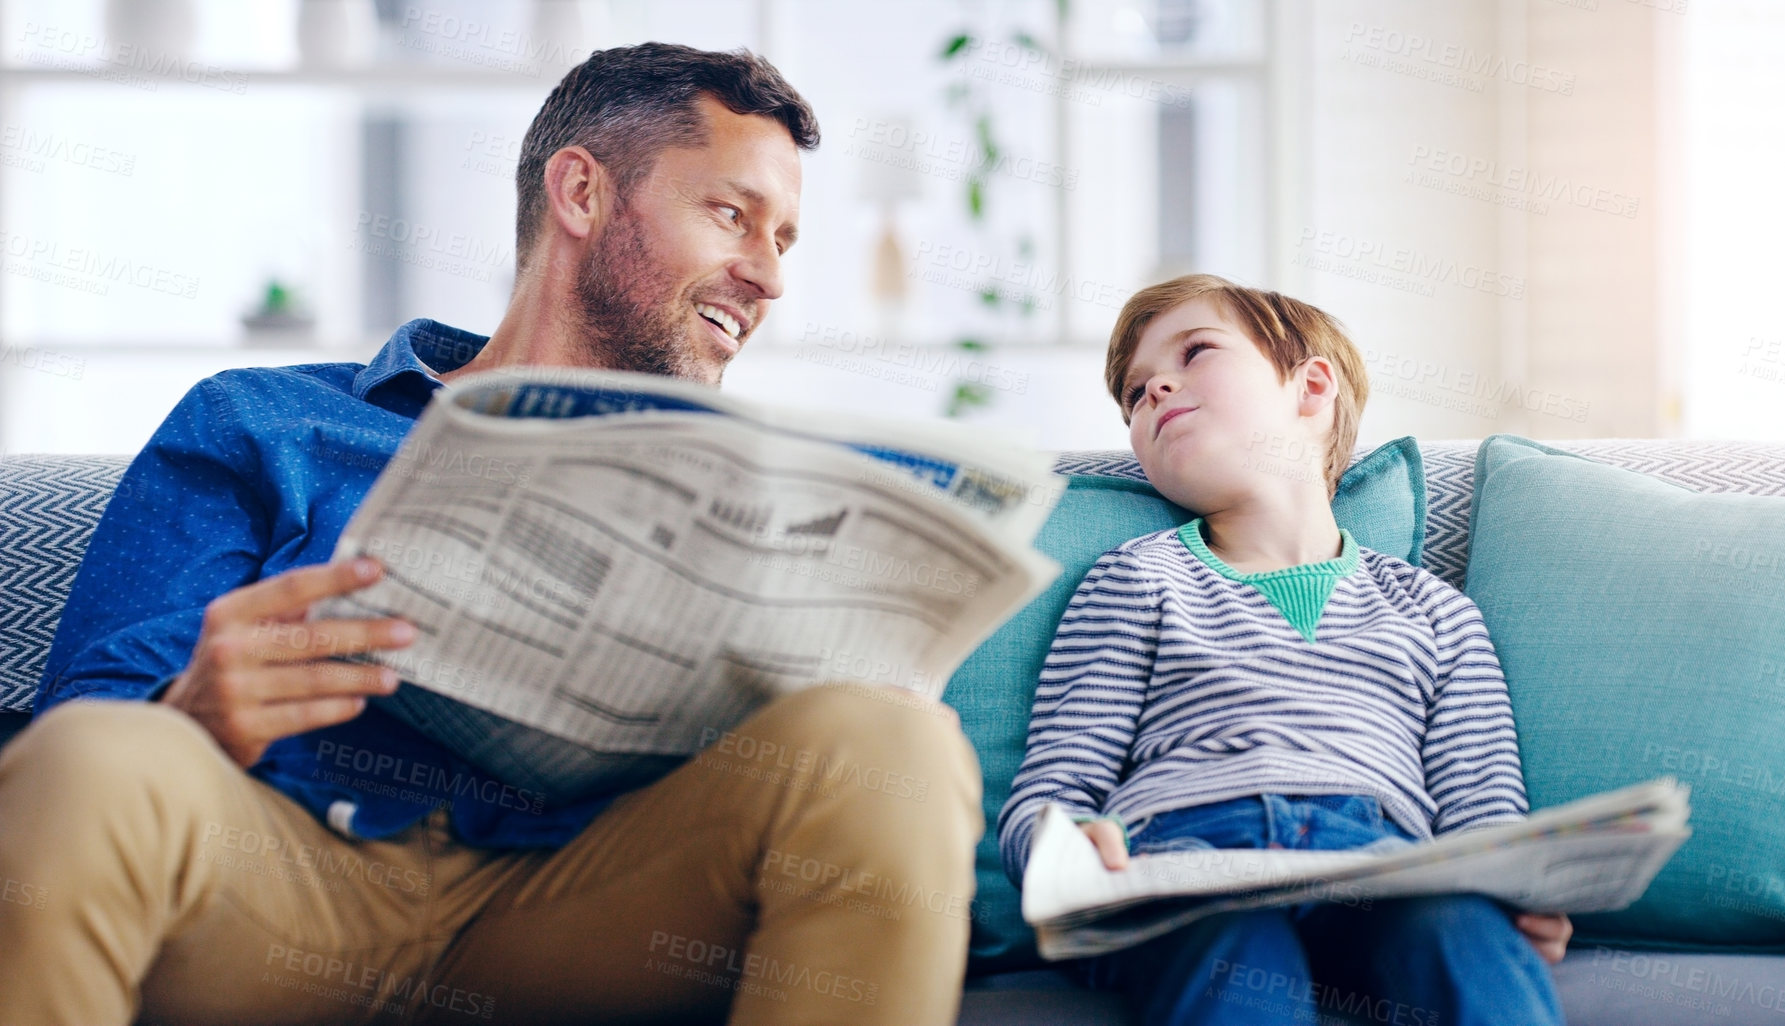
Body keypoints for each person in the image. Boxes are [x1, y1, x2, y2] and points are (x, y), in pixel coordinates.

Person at [0, 42, 982, 1026]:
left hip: (591, 904)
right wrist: (192, 712)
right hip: (280, 885)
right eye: (733, 216)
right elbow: (82, 721)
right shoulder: (263, 421)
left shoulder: (768, 501)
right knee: (94, 757)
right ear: (582, 193)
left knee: (892, 745)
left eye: (785, 241)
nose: (767, 277)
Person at [996, 274, 1573, 1026]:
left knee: (1462, 935)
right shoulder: (1134, 578)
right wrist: (1066, 847)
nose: (1155, 389)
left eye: (1195, 350)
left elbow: (1483, 807)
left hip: (1385, 871)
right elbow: (1058, 778)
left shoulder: (1437, 612)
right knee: (1232, 951)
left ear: (1311, 389)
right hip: (1186, 865)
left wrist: (1518, 892)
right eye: (1134, 395)